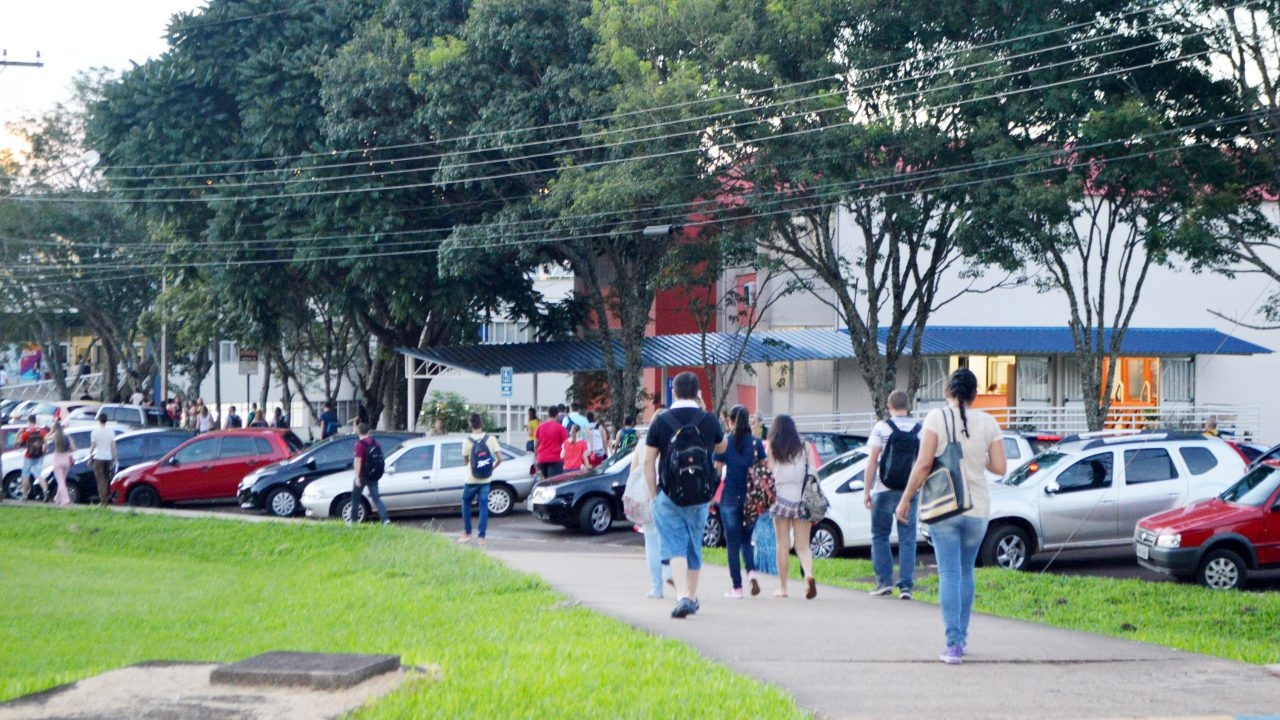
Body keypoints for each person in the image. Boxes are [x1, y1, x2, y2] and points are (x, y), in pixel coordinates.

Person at [896, 368, 1005, 665]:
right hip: (978, 509)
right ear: (974, 394)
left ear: (948, 390)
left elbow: (923, 465)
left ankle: (953, 645)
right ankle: (962, 638)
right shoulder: (989, 422)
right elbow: (1000, 467)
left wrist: (905, 499)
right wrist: (976, 456)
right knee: (966, 572)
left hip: (945, 507)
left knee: (950, 574)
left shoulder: (936, 417)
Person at [643, 371, 726, 619]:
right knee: (694, 546)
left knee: (675, 547)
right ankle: (690, 596)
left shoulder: (661, 421)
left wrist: (653, 494)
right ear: (697, 393)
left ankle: (681, 597)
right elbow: (723, 450)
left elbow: (648, 461)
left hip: (669, 494)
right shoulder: (709, 421)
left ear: (674, 392)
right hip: (701, 495)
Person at [863, 390, 921, 599]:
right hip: (909, 491)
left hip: (883, 490)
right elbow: (923, 463)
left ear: (889, 406)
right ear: (908, 406)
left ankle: (884, 583)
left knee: (880, 535)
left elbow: (872, 462)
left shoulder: (882, 427)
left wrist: (866, 491)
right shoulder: (919, 429)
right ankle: (906, 586)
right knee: (907, 538)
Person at [715, 404, 766, 598]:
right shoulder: (756, 443)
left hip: (729, 497)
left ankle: (737, 588)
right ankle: (751, 573)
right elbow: (762, 469)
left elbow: (718, 471)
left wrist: (711, 494)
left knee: (732, 544)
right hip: (751, 499)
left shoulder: (725, 443)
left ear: (732, 421)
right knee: (746, 540)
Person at [767, 414, 817, 599]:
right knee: (803, 546)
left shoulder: (772, 446)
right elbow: (813, 470)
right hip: (802, 498)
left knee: (783, 544)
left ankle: (783, 588)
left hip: (780, 498)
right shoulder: (805, 445)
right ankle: (809, 576)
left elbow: (769, 470)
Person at [459, 413, 502, 546]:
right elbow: (500, 458)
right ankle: (482, 537)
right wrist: (491, 469)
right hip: (485, 480)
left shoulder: (467, 441)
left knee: (466, 504)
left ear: (470, 425)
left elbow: (465, 461)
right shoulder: (491, 439)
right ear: (482, 424)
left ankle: (467, 533)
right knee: (483, 507)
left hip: (471, 480)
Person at [351, 422, 389, 524]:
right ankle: (385, 519)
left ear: (358, 432)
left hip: (363, 475)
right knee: (376, 498)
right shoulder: (375, 443)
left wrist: (357, 477)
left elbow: (357, 461)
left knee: (355, 497)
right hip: (373, 475)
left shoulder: (359, 444)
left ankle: (353, 521)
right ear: (368, 431)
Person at [17, 415, 49, 502]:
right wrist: (44, 453)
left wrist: (19, 433)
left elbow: (17, 443)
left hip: (28, 456)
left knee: (25, 475)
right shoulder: (41, 431)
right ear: (35, 421)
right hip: (38, 456)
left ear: (29, 421)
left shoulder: (27, 432)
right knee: (39, 475)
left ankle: (24, 496)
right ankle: (46, 491)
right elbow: (46, 443)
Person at [89, 412, 118, 506]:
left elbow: (93, 446)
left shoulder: (95, 432)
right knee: (106, 479)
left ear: (99, 420)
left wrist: (90, 457)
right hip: (108, 458)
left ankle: (103, 501)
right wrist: (115, 459)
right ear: (106, 420)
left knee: (100, 480)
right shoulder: (111, 431)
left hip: (98, 458)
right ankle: (106, 499)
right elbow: (113, 446)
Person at [535, 406, 568, 478]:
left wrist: (536, 458)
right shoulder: (561, 428)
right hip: (555, 459)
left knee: (545, 481)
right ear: (557, 415)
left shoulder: (540, 427)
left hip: (542, 458)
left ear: (548, 414)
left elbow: (536, 444)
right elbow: (566, 444)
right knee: (553, 482)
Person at [49, 423, 76, 505]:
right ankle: (57, 499)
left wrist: (50, 432)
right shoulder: (67, 437)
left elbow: (45, 438)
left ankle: (66, 500)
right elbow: (73, 449)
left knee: (61, 482)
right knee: (62, 480)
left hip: (58, 459)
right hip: (66, 459)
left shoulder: (54, 435)